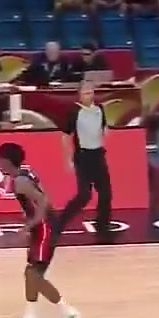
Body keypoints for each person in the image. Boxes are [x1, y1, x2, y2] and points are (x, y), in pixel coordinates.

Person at [0, 142, 80, 318]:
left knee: (34, 275)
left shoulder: (20, 182)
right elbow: (42, 195)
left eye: (0, 158)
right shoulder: (25, 173)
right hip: (42, 227)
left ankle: (69, 313)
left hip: (44, 228)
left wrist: (30, 225)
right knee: (31, 274)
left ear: (7, 161)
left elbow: (43, 200)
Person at [56, 81, 113, 241]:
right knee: (84, 195)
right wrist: (68, 159)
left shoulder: (99, 108)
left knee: (106, 193)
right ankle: (59, 223)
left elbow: (104, 126)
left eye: (91, 92)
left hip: (98, 155)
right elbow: (65, 136)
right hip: (83, 156)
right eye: (86, 93)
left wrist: (105, 132)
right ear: (80, 95)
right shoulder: (75, 112)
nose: (89, 95)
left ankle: (102, 224)